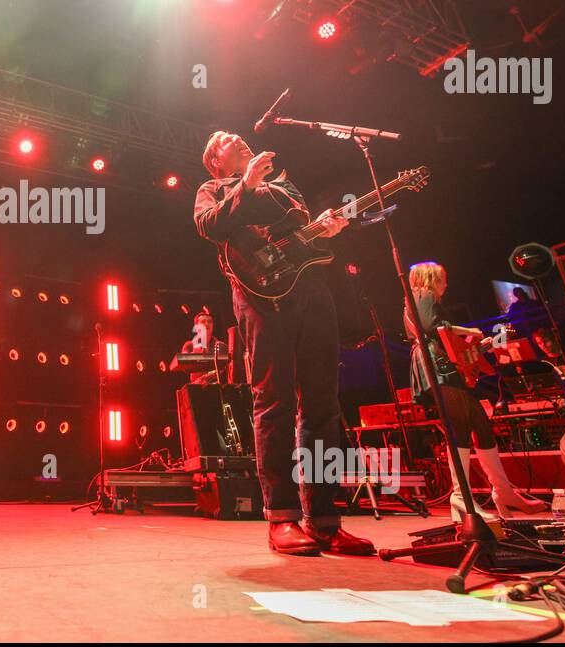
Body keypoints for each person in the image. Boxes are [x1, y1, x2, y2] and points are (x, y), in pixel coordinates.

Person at [194, 131, 374, 556]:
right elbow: (209, 226)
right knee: (273, 402)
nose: (237, 139)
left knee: (323, 406)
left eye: (239, 136)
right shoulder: (213, 190)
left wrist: (329, 231)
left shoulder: (285, 185)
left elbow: (301, 238)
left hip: (311, 292)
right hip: (259, 298)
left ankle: (325, 521)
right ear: (216, 161)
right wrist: (245, 185)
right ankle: (282, 518)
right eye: (226, 140)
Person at [405, 262, 545, 520]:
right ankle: (461, 498)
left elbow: (451, 345)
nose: (446, 284)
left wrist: (482, 346)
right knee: (459, 428)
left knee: (481, 426)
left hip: (446, 366)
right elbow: (432, 328)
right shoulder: (423, 296)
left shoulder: (425, 300)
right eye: (443, 278)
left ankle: (503, 491)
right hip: (438, 367)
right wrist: (469, 331)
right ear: (432, 278)